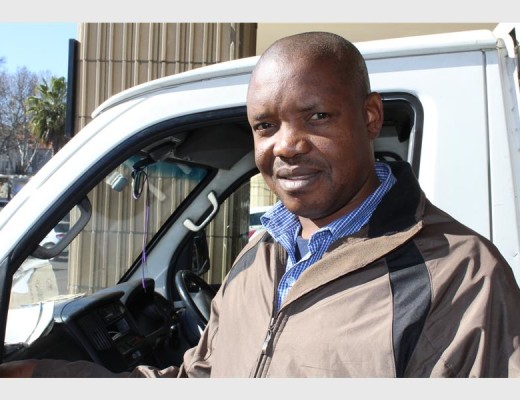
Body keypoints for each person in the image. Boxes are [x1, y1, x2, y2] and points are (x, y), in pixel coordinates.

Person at [2, 31, 520, 378]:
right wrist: (45, 377)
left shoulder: (461, 278)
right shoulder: (263, 253)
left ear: (369, 117)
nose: (286, 145)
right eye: (266, 125)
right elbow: (199, 380)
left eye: (316, 116)